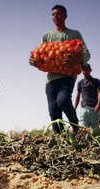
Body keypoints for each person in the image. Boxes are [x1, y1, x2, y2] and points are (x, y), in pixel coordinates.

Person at [29, 5, 90, 133]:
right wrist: (34, 62)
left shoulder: (74, 34)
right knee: (53, 110)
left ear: (65, 16)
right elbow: (41, 56)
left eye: (58, 14)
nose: (55, 17)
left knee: (62, 100)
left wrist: (77, 60)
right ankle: (59, 139)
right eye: (53, 14)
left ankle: (76, 127)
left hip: (68, 77)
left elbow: (86, 53)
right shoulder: (47, 36)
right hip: (51, 79)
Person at [74, 64, 100, 132]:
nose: (84, 71)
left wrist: (98, 104)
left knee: (95, 132)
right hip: (84, 110)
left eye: (86, 69)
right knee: (83, 131)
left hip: (94, 110)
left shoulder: (96, 81)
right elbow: (78, 96)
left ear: (90, 70)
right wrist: (74, 108)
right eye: (83, 70)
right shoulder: (80, 83)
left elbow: (99, 93)